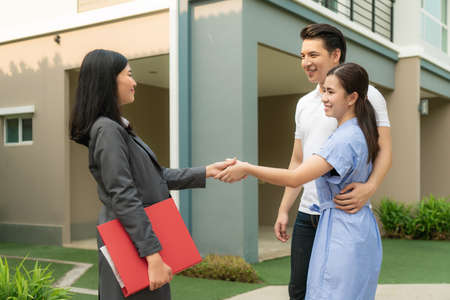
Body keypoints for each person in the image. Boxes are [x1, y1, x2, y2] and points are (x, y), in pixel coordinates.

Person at [70, 49, 234, 300]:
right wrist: (152, 255)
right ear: (108, 80)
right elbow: (123, 195)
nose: (135, 82)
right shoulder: (108, 130)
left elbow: (153, 177)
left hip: (136, 241)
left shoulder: (115, 128)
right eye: (129, 75)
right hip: (132, 244)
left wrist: (206, 172)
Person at [217, 62, 383, 300]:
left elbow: (296, 176)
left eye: (331, 92)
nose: (324, 98)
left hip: (342, 232)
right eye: (323, 91)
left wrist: (246, 168)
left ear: (352, 98)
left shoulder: (344, 139)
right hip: (354, 227)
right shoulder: (358, 130)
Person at [272, 24, 391, 300]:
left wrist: (370, 187)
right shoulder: (304, 104)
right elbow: (298, 160)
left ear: (336, 55)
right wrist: (283, 209)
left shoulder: (367, 95)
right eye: (302, 55)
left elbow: (385, 149)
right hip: (308, 215)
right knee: (300, 292)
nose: (305, 63)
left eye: (313, 55)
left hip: (342, 213)